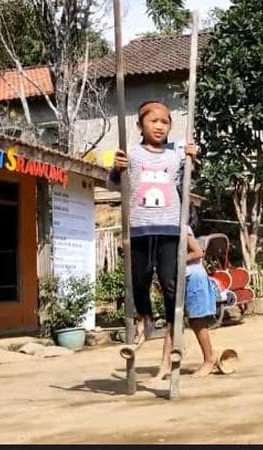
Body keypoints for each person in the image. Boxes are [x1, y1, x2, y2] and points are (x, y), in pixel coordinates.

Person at [108, 100, 197, 353]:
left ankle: (172, 328)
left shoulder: (176, 153)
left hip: (169, 227)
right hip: (139, 227)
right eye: (153, 121)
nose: (159, 126)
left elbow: (188, 181)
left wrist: (192, 159)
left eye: (165, 122)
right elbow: (114, 184)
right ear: (139, 125)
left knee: (170, 282)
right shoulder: (131, 154)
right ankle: (145, 319)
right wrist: (117, 169)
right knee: (140, 278)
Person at [151, 225, 219, 381]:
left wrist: (175, 262)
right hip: (178, 279)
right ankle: (165, 365)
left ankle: (209, 359)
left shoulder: (180, 227)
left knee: (197, 321)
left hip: (193, 278)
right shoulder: (157, 231)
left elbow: (198, 252)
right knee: (173, 322)